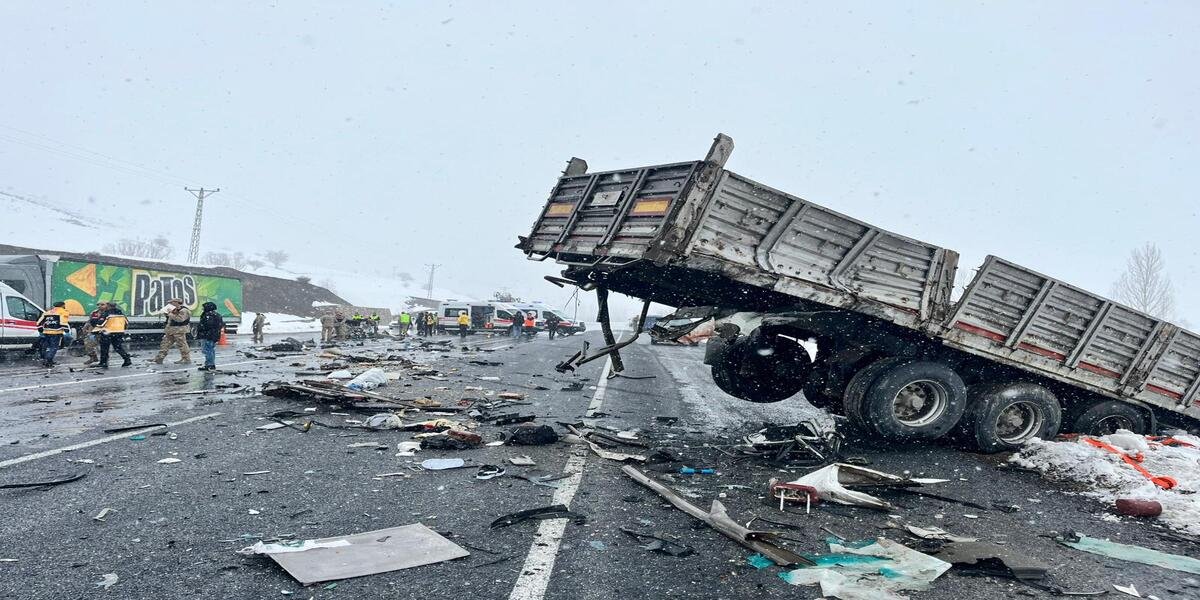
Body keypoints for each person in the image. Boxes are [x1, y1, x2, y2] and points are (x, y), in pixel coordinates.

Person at [153, 299, 192, 364]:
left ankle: (186, 359)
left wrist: (170, 314)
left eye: (172, 302)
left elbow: (180, 319)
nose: (170, 304)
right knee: (165, 344)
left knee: (182, 344)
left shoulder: (183, 310)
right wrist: (167, 314)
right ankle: (159, 358)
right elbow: (170, 320)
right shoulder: (174, 310)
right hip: (171, 330)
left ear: (177, 302)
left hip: (179, 330)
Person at [94, 302, 132, 369]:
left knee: (104, 348)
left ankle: (103, 362)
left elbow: (100, 324)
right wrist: (121, 329)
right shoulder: (121, 314)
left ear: (108, 306)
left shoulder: (107, 313)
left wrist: (95, 322)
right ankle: (127, 359)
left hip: (107, 333)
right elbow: (126, 323)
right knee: (118, 347)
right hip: (118, 332)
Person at [35, 301, 71, 367]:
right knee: (53, 347)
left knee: (46, 347)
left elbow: (38, 323)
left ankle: (47, 360)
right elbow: (63, 323)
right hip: (56, 333)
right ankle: (48, 361)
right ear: (62, 305)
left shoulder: (47, 312)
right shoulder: (63, 312)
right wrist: (67, 331)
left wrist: (41, 330)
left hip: (46, 333)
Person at [196, 301, 224, 371]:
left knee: (208, 350)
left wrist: (201, 329)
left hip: (208, 335)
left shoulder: (209, 316)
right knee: (210, 349)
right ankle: (209, 364)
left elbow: (208, 325)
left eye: (204, 307)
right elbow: (220, 325)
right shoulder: (216, 315)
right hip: (212, 335)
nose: (202, 309)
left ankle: (210, 364)